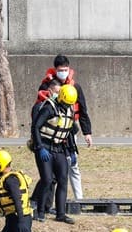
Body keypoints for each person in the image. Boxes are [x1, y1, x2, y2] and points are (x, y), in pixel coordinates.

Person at [38, 54, 93, 201]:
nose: (64, 72)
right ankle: (43, 202)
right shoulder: (46, 86)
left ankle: (79, 199)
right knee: (51, 172)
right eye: (61, 69)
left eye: (66, 69)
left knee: (73, 165)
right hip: (51, 134)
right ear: (55, 70)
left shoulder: (75, 87)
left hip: (68, 131)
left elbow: (82, 110)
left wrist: (87, 132)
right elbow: (39, 109)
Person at [30, 83, 79, 224]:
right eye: (65, 102)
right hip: (44, 146)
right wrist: (39, 147)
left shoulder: (69, 109)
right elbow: (36, 127)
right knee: (47, 180)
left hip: (59, 149)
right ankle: (40, 212)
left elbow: (68, 131)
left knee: (63, 180)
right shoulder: (48, 108)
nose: (66, 105)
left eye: (69, 103)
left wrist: (72, 151)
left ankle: (61, 214)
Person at [0, 150, 33, 232]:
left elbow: (17, 199)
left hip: (21, 218)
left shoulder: (10, 180)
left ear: (0, 166)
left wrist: (21, 221)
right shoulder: (4, 177)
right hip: (11, 220)